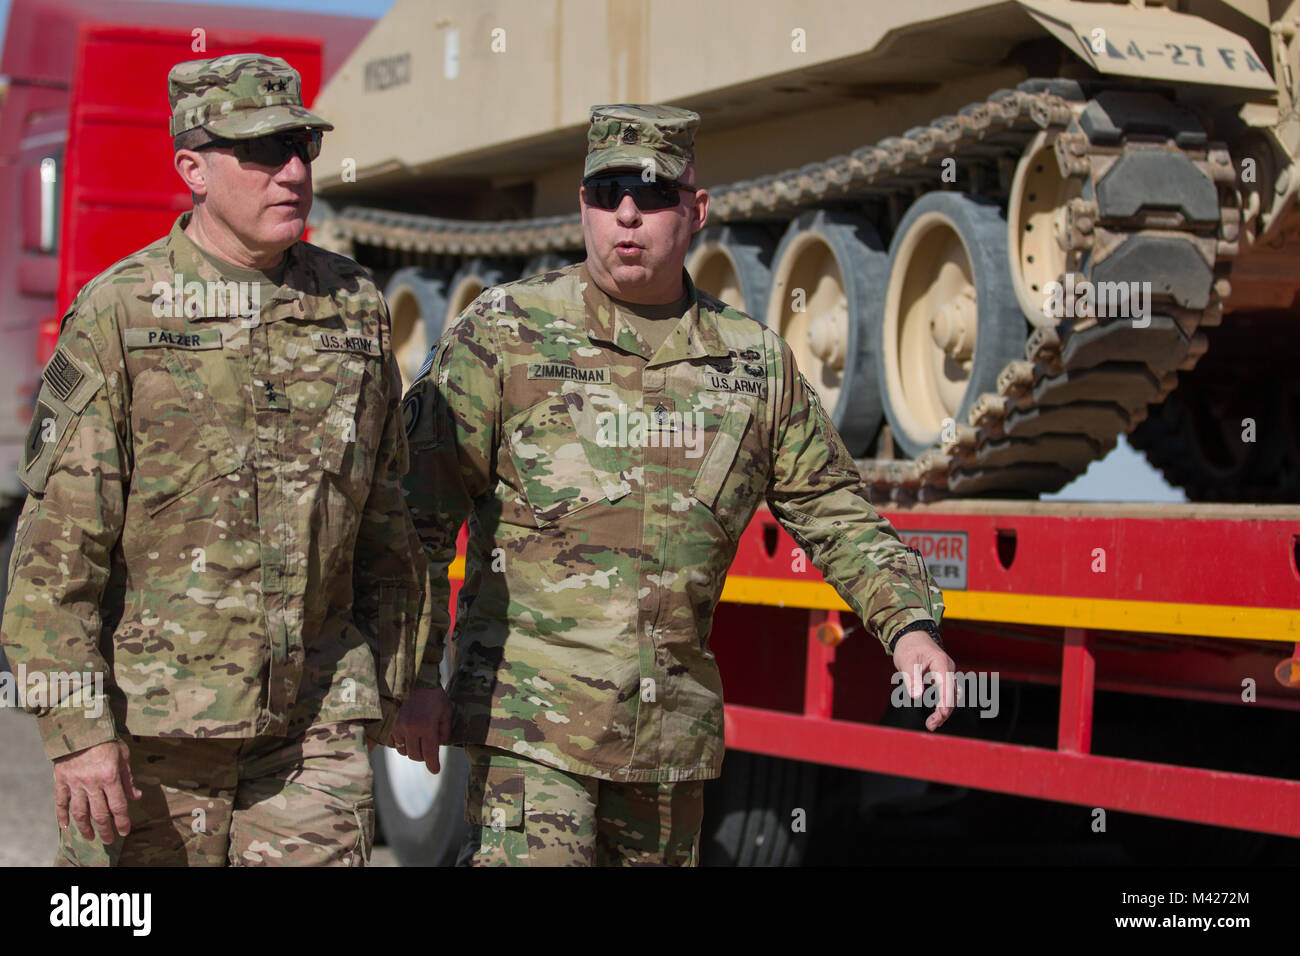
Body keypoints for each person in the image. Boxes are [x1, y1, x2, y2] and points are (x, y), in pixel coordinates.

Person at [397, 104, 952, 866]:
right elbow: (419, 518)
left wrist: (909, 625)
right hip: (528, 728)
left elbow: (831, 507)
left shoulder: (752, 364)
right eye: (608, 191)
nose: (629, 213)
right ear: (583, 207)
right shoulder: (504, 335)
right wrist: (417, 677)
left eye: (654, 193)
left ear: (695, 211)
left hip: (667, 744)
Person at [0, 53, 429, 866]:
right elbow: (57, 555)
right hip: (155, 732)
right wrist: (78, 733)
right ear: (191, 168)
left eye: (301, 145)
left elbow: (385, 520)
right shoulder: (120, 314)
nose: (294, 171)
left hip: (314, 727)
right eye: (262, 152)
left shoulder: (353, 308)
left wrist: (409, 682)